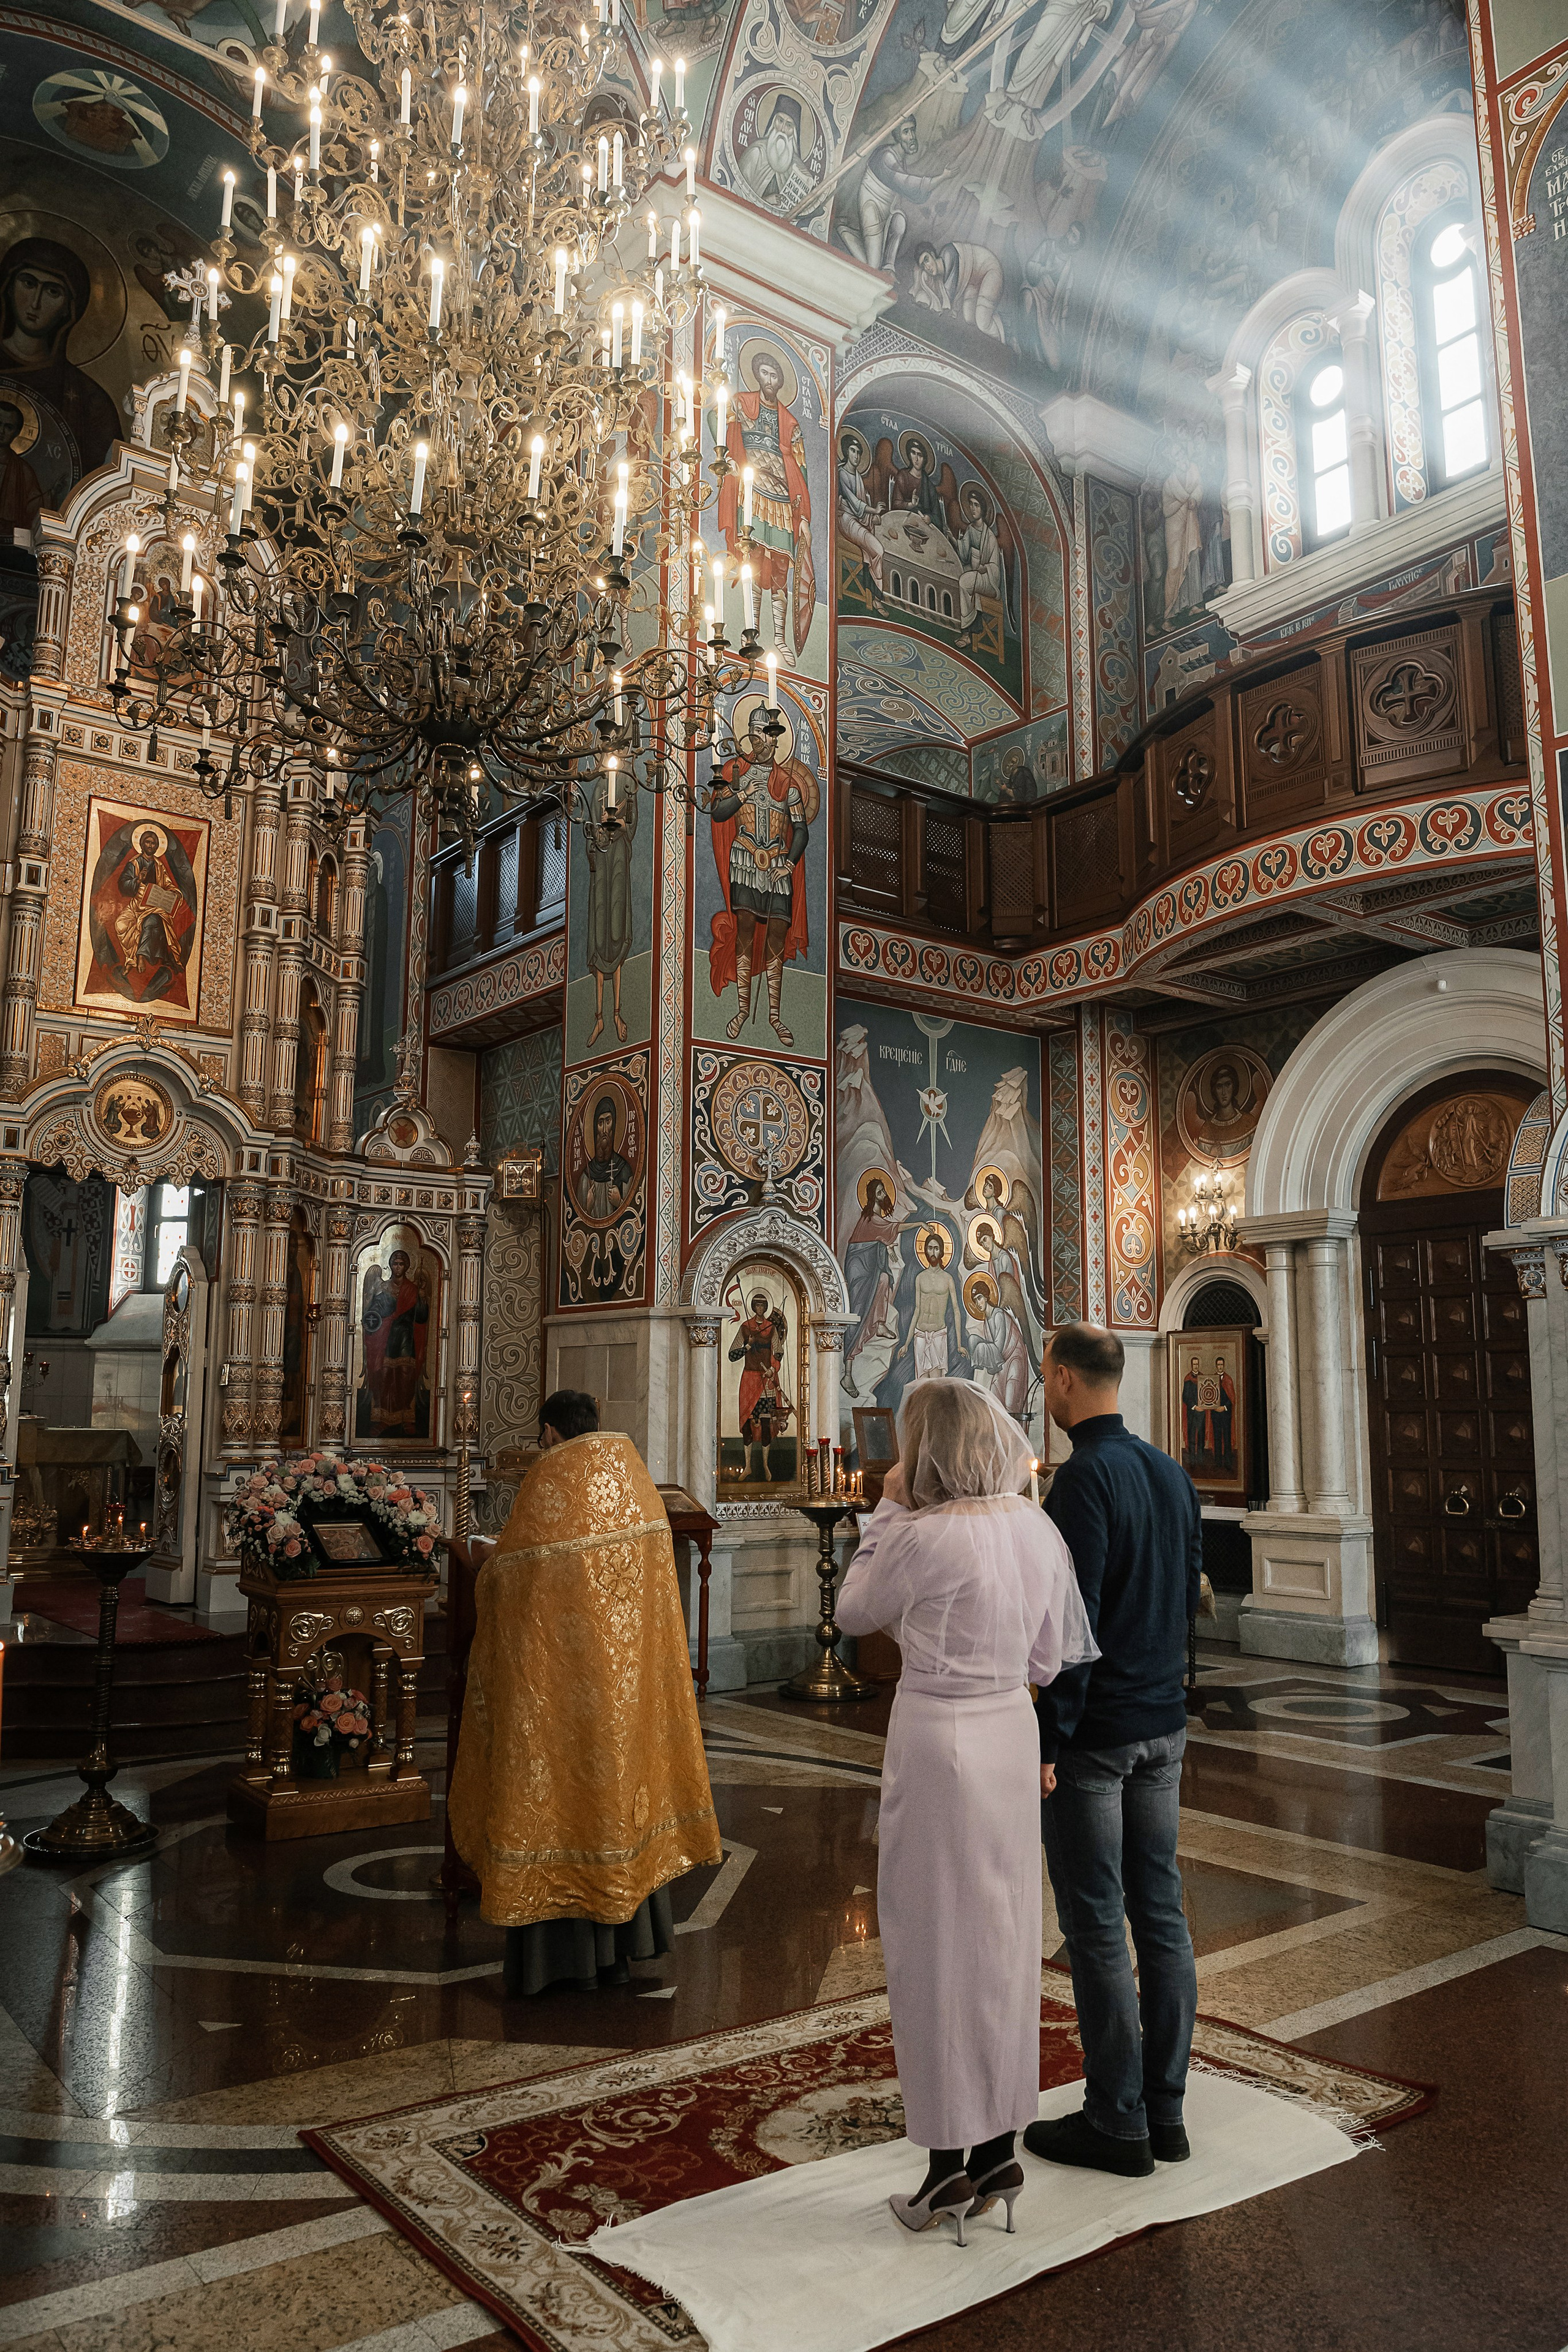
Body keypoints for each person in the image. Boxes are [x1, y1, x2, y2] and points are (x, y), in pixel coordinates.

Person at [836, 1380, 1096, 2242]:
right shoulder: (1032, 1525)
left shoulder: (919, 1535)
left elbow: (852, 1613)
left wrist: (881, 1513)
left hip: (940, 1737)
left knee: (934, 1944)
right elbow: (1050, 1653)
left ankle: (949, 2168)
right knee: (1004, 1937)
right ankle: (999, 2148)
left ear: (927, 1450)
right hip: (1008, 1732)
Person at [450, 1389, 722, 1997]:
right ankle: (626, 1948)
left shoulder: (551, 1487)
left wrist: (483, 1569)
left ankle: (560, 1961)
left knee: (561, 1813)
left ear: (548, 1432)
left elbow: (509, 1575)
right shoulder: (635, 1485)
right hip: (623, 1699)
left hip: (556, 1698)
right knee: (619, 1811)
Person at [1029, 1323, 1202, 2177]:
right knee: (1160, 1916)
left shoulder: (1082, 1480)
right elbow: (1187, 1597)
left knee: (1097, 1925)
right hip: (1163, 1724)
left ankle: (1116, 2119)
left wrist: (1048, 1737)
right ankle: (1165, 2113)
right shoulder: (1170, 1472)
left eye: (1045, 1381)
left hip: (1098, 1740)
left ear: (1063, 1381)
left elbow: (1073, 1626)